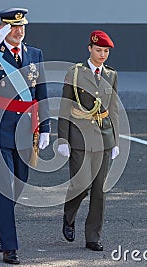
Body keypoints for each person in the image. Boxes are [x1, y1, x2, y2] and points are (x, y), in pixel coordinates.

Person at [0, 7, 50, 264]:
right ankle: (9, 246)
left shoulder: (35, 54)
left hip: (25, 130)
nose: (19, 31)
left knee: (20, 184)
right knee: (5, 187)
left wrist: (46, 128)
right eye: (13, 27)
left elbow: (42, 95)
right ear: (4, 29)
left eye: (22, 26)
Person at [57, 30, 119, 251]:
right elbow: (65, 107)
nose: (102, 54)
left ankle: (93, 236)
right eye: (99, 50)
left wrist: (116, 141)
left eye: (106, 51)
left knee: (99, 190)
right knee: (81, 184)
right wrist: (62, 139)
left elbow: (113, 109)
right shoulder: (75, 73)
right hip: (79, 137)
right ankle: (69, 216)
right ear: (89, 49)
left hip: (103, 138)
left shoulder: (111, 75)